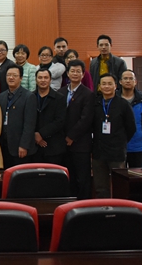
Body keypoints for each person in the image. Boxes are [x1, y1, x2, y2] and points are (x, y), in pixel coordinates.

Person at [91, 73, 136, 198]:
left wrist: (120, 141)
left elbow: (131, 128)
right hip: (99, 150)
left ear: (115, 86)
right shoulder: (95, 103)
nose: (106, 86)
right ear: (99, 86)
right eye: (104, 84)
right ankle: (102, 206)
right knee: (100, 185)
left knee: (119, 183)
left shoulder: (123, 104)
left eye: (110, 84)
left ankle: (119, 207)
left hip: (116, 151)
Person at [59, 59, 94, 199]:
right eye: (72, 71)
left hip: (81, 144)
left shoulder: (88, 94)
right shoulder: (61, 92)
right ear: (67, 73)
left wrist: (71, 136)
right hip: (63, 143)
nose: (75, 74)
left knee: (83, 177)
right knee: (69, 177)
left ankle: (84, 204)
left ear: (83, 74)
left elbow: (86, 119)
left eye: (78, 71)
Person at [0, 66, 37, 168]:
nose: (11, 78)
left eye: (15, 75)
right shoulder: (2, 96)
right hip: (4, 144)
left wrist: (24, 145)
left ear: (21, 78)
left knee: (20, 175)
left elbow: (29, 124)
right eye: (9, 75)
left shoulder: (29, 96)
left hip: (20, 146)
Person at [120, 70, 142, 168]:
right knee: (118, 174)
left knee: (135, 174)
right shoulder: (115, 98)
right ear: (120, 82)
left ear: (135, 82)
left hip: (137, 145)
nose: (128, 81)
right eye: (125, 78)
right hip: (118, 145)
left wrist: (139, 130)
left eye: (131, 78)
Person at [32, 68, 66, 165]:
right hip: (34, 146)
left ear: (50, 80)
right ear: (36, 80)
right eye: (40, 77)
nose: (43, 80)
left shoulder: (59, 98)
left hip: (54, 146)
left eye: (46, 77)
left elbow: (60, 120)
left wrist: (41, 134)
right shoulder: (30, 97)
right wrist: (35, 135)